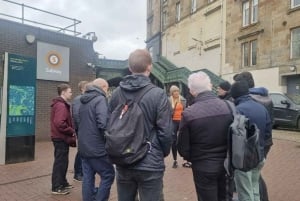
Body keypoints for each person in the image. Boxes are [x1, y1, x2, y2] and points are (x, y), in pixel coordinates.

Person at [109, 49, 173, 201]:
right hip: (149, 160)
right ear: (149, 67)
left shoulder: (117, 93)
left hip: (123, 158)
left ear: (130, 68)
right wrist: (160, 152)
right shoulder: (158, 94)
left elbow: (110, 124)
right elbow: (165, 131)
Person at [177, 72, 232, 201]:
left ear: (191, 91)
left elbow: (183, 147)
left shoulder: (189, 113)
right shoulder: (229, 107)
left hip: (203, 165)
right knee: (224, 197)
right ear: (210, 86)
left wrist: (193, 158)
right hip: (226, 163)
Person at [234, 71, 273, 201]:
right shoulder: (263, 106)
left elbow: (235, 135)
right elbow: (268, 131)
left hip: (244, 157)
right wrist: (262, 149)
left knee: (245, 192)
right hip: (260, 153)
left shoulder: (238, 109)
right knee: (255, 188)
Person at [78, 78, 115, 201]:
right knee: (108, 174)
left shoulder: (82, 100)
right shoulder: (100, 99)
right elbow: (103, 123)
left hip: (84, 146)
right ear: (103, 87)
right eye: (107, 88)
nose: (107, 91)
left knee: (88, 177)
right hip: (96, 148)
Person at [50, 83, 75, 195]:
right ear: (63, 92)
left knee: (63, 161)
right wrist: (71, 131)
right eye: (70, 91)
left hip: (60, 138)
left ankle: (63, 182)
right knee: (60, 162)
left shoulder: (60, 104)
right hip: (60, 138)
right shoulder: (60, 105)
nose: (71, 93)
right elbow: (59, 123)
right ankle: (57, 187)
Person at [72, 80, 89, 182]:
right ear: (82, 88)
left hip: (84, 129)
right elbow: (77, 115)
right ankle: (78, 173)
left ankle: (82, 171)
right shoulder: (79, 99)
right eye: (87, 87)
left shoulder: (84, 98)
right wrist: (82, 128)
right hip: (82, 130)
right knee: (81, 151)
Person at [168, 85, 188, 168]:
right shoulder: (168, 101)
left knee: (184, 139)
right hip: (173, 122)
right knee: (173, 141)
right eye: (174, 91)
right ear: (171, 93)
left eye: (177, 91)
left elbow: (186, 111)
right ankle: (175, 160)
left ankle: (186, 159)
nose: (176, 92)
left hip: (181, 121)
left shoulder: (183, 100)